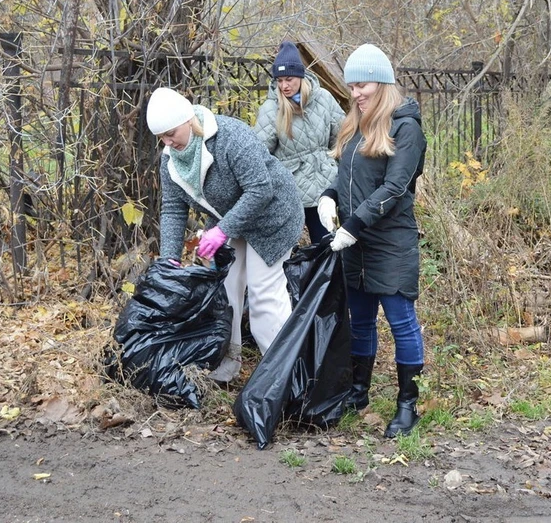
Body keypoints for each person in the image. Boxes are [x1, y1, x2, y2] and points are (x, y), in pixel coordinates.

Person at [145, 87, 304, 383]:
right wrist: (169, 259)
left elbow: (261, 189)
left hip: (272, 217)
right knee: (226, 292)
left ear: (188, 119)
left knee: (264, 298)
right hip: (230, 221)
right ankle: (229, 359)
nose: (167, 142)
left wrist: (222, 230)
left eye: (171, 133)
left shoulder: (230, 136)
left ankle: (283, 377)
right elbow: (172, 209)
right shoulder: (171, 161)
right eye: (161, 137)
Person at [318, 44, 427, 438]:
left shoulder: (405, 127)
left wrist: (355, 224)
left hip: (390, 242)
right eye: (351, 87)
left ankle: (407, 404)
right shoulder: (356, 122)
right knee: (360, 321)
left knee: (401, 323)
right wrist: (329, 195)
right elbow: (347, 174)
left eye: (362, 85)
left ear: (381, 83)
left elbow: (396, 186)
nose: (356, 94)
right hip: (355, 242)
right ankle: (358, 392)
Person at [253, 41, 346, 243]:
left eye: (289, 79)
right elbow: (259, 153)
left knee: (326, 249)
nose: (284, 86)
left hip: (325, 187)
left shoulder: (323, 98)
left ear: (300, 76)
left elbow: (342, 138)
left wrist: (333, 167)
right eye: (279, 80)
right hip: (291, 191)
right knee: (286, 252)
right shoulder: (271, 108)